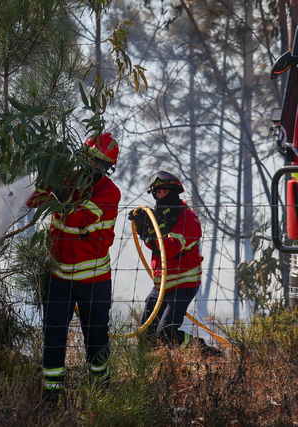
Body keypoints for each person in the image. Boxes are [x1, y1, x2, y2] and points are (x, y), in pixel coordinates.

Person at [27, 132, 121, 403]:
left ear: (107, 169)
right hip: (58, 277)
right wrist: (44, 180)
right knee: (54, 337)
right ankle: (52, 397)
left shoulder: (109, 193)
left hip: (93, 280)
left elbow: (80, 218)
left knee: (96, 338)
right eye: (88, 160)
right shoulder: (66, 178)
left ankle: (100, 393)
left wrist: (62, 196)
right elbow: (32, 200)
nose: (91, 168)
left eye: (99, 164)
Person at [128, 171, 220, 356]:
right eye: (157, 193)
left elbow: (167, 249)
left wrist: (151, 234)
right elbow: (154, 246)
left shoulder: (188, 219)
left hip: (182, 284)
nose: (161, 196)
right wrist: (145, 231)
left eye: (164, 192)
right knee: (146, 334)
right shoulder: (159, 217)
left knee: (166, 334)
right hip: (161, 285)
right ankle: (150, 370)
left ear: (175, 191)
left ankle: (201, 349)